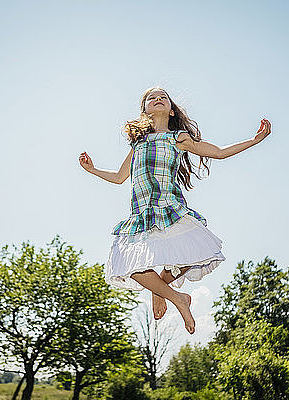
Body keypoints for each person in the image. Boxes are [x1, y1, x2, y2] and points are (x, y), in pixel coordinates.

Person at [79, 86, 271, 334]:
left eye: (163, 98)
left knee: (192, 255)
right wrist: (92, 170)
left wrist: (255, 140)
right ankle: (177, 297)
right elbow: (119, 177)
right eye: (151, 98)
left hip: (170, 209)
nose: (158, 99)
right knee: (127, 265)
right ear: (145, 111)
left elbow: (219, 153)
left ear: (170, 111)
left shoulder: (178, 138)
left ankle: (160, 291)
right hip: (142, 214)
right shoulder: (137, 144)